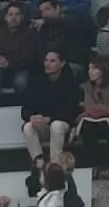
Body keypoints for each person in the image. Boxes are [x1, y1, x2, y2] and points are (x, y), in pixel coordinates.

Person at [22, 47, 80, 178]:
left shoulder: (70, 82)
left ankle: (55, 167)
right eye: (46, 60)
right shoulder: (36, 81)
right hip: (41, 125)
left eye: (52, 61)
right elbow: (25, 110)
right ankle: (39, 164)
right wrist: (32, 117)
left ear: (62, 63)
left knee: (56, 125)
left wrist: (50, 119)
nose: (47, 64)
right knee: (27, 127)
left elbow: (70, 112)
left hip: (63, 125)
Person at [0, 3, 40, 103]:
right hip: (1, 73)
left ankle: (23, 104)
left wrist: (8, 62)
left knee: (21, 81)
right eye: (10, 15)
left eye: (17, 14)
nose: (14, 18)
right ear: (5, 18)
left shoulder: (29, 33)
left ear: (22, 17)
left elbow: (29, 58)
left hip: (20, 70)